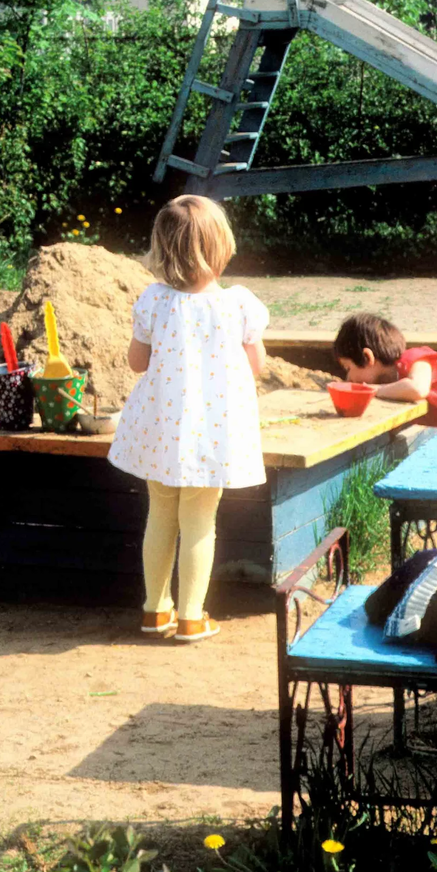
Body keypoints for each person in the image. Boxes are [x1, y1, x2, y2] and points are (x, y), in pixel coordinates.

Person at [107, 195, 268, 643]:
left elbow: (137, 362)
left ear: (163, 250)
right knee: (199, 519)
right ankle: (193, 617)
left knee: (160, 515)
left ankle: (154, 610)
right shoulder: (239, 305)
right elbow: (256, 364)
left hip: (161, 428)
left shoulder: (154, 301)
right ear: (221, 248)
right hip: (212, 431)